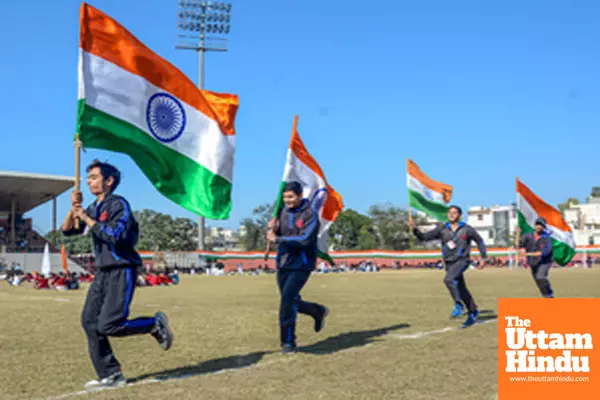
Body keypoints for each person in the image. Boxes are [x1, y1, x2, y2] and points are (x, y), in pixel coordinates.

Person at [62, 160, 173, 390]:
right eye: (88, 178)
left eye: (94, 177)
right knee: (90, 322)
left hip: (122, 268)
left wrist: (86, 217)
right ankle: (110, 374)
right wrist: (73, 208)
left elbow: (114, 235)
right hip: (102, 272)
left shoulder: (119, 205)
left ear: (109, 181)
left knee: (110, 324)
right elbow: (67, 231)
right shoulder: (92, 208)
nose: (89, 182)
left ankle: (153, 324)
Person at [266, 181, 329, 353]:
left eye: (291, 197)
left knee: (287, 301)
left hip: (302, 263)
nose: (288, 200)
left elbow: (304, 240)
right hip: (283, 263)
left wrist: (277, 239)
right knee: (291, 301)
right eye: (285, 197)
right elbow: (278, 234)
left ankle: (288, 342)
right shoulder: (282, 212)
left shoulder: (310, 215)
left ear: (300, 195)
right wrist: (273, 229)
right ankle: (317, 311)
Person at [409, 206, 488, 328]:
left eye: (454, 212)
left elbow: (480, 241)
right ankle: (473, 311)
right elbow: (424, 238)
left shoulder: (467, 229)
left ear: (459, 215)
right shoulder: (442, 228)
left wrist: (483, 257)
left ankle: (458, 305)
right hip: (449, 262)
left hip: (462, 260)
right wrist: (415, 229)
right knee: (461, 288)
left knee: (448, 279)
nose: (451, 214)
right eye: (450, 212)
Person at [515, 218, 554, 298]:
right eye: (538, 224)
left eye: (541, 225)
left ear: (544, 227)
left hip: (544, 262)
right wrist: (518, 233)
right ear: (535, 225)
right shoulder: (528, 236)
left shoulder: (546, 239)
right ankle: (548, 297)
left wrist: (526, 254)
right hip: (533, 263)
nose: (539, 226)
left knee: (541, 277)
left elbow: (542, 253)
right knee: (538, 282)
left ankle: (549, 293)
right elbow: (518, 245)